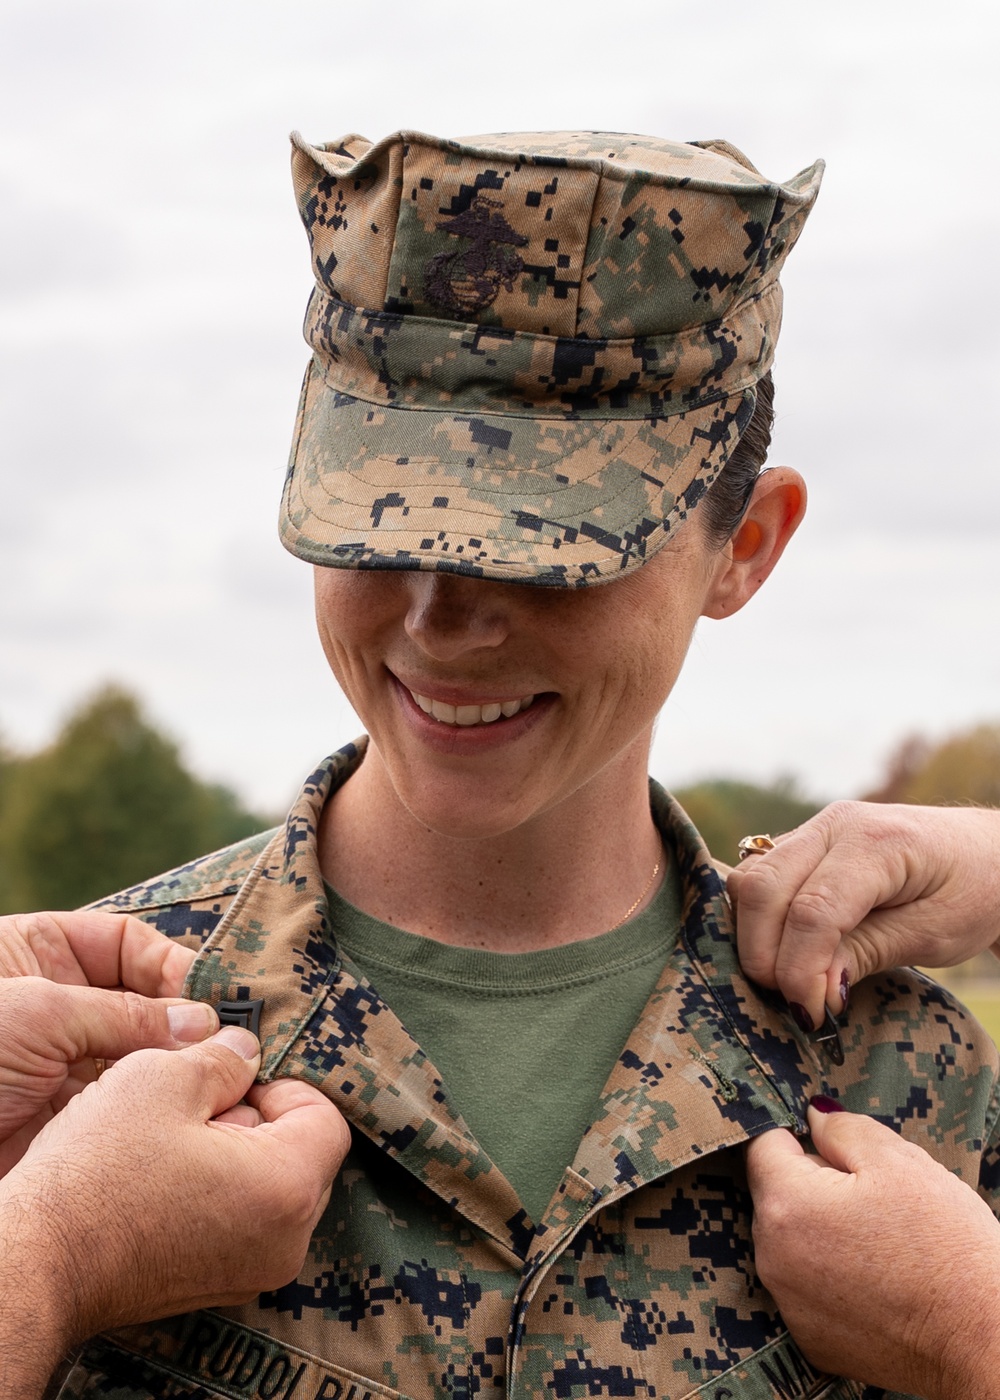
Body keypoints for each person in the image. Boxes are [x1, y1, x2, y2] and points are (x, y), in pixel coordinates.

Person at [7, 127, 1000, 1399]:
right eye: (379, 519)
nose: (438, 617)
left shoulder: (905, 1078)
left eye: (547, 543)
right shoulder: (63, 1072)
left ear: (745, 544)